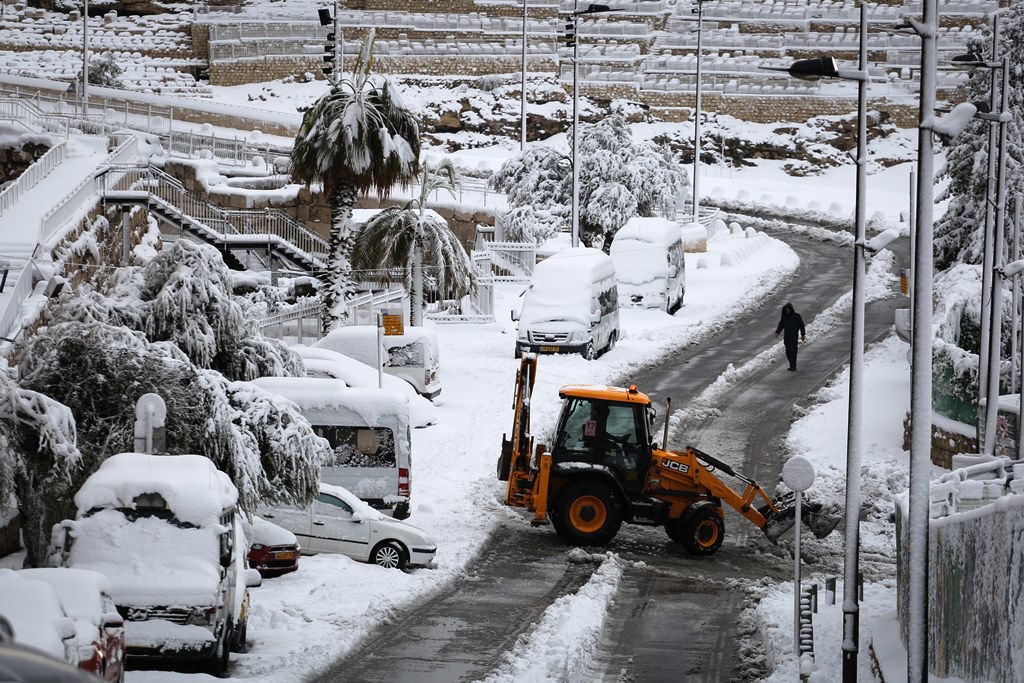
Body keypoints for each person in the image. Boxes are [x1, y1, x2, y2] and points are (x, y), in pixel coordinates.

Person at [775, 302, 806, 371]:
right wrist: (777, 332)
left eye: (788, 309)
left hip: (794, 337)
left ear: (791, 309)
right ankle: (792, 365)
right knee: (788, 353)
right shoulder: (784, 317)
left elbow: (801, 325)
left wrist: (803, 334)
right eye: (786, 309)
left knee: (793, 352)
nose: (787, 310)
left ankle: (793, 366)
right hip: (786, 337)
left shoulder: (796, 316)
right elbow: (781, 325)